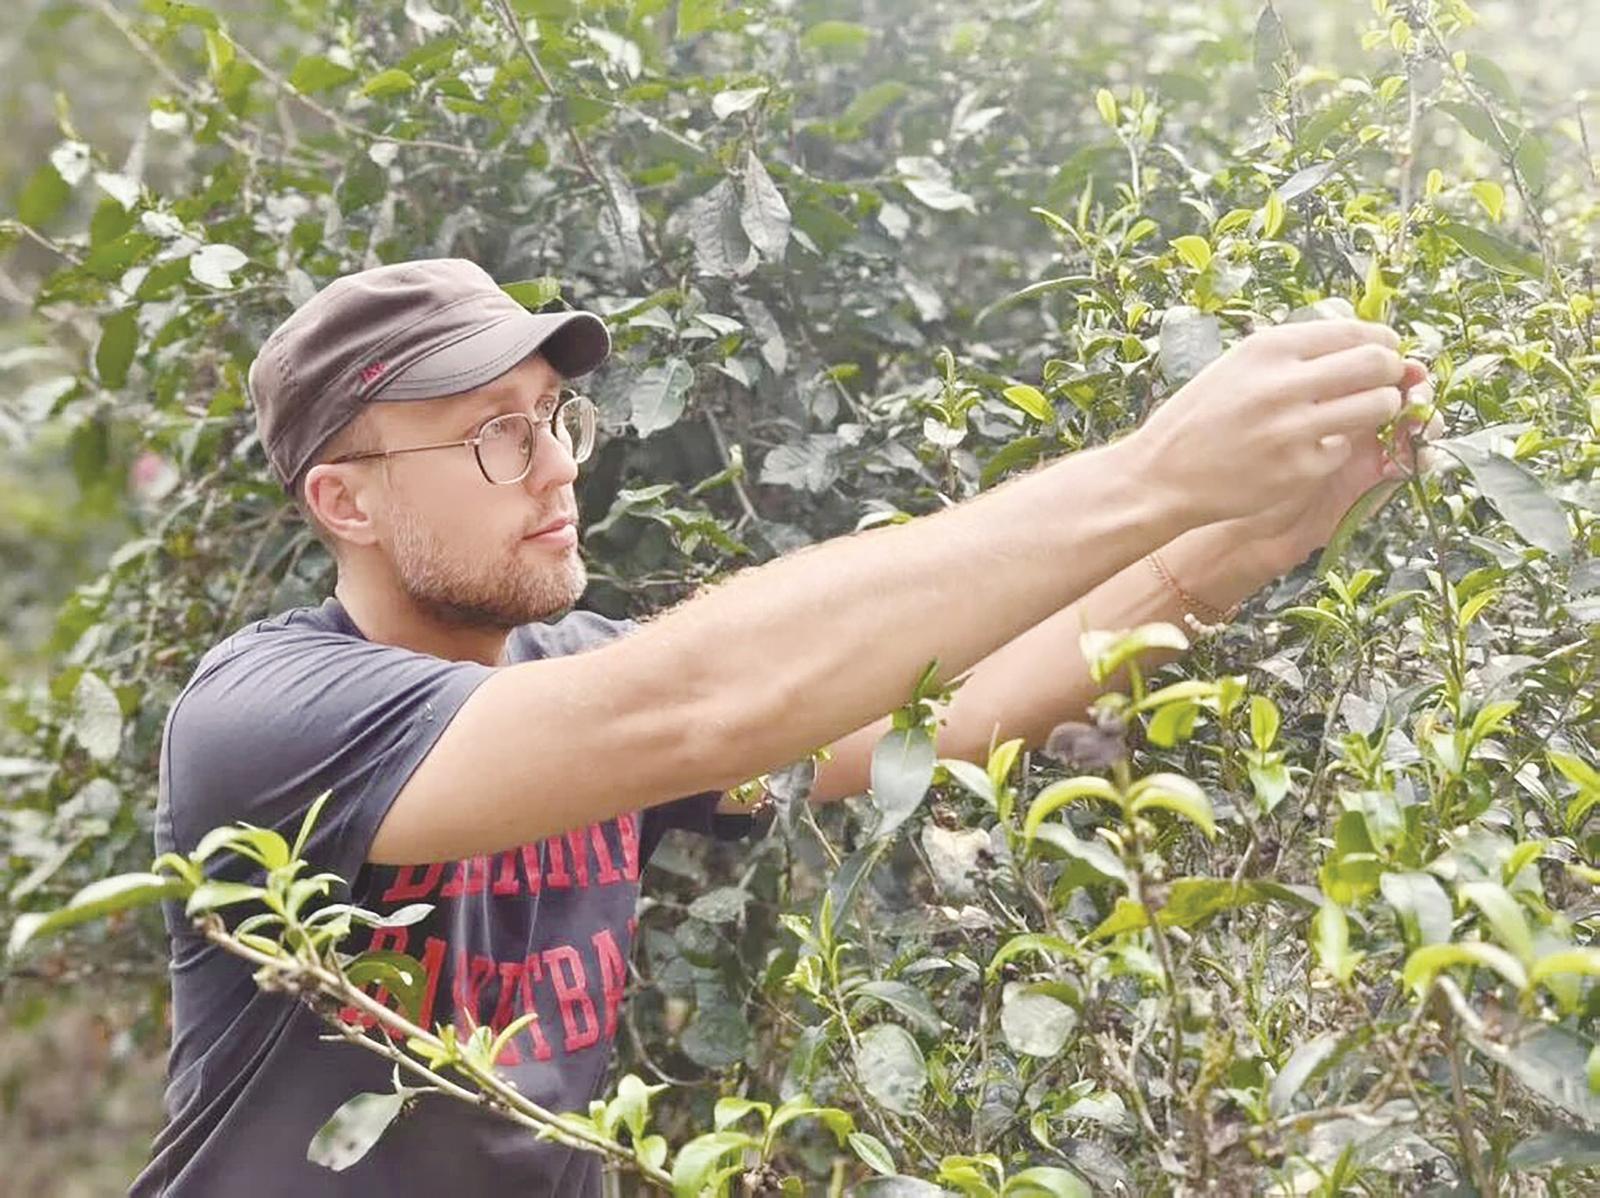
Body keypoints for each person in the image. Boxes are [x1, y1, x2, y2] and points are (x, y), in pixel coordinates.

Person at [132, 258, 1433, 1196]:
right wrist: (1152, 472)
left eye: (556, 420)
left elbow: (947, 715)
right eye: (494, 438)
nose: (558, 466)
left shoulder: (578, 673)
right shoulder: (267, 719)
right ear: (346, 504)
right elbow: (706, 699)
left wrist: (1230, 546)